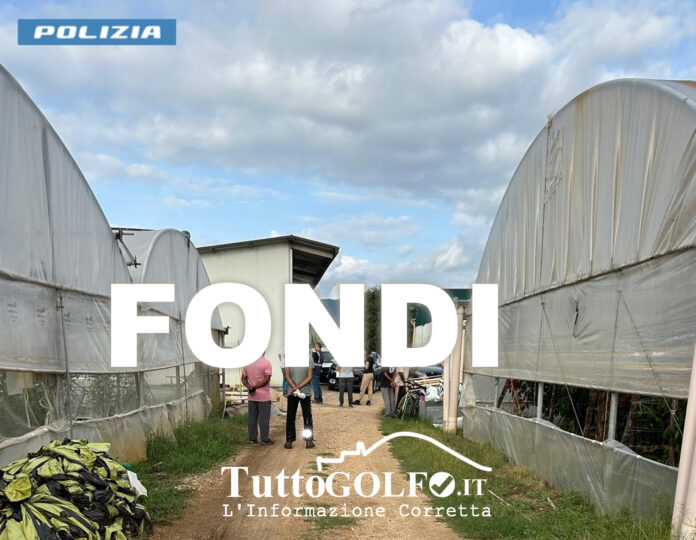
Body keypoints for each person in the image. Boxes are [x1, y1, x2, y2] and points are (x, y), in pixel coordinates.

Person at [241, 354, 273, 445]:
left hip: (252, 396)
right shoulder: (266, 363)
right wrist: (255, 387)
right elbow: (267, 379)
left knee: (252, 418)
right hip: (264, 397)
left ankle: (252, 439)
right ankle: (264, 439)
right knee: (264, 419)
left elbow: (243, 378)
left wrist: (249, 387)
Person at [284, 356, 315, 449]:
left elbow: (287, 376)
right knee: (307, 416)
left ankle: (289, 441)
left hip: (291, 391)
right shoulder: (309, 358)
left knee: (290, 416)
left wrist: (294, 387)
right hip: (305, 392)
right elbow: (309, 377)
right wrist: (298, 387)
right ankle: (309, 440)